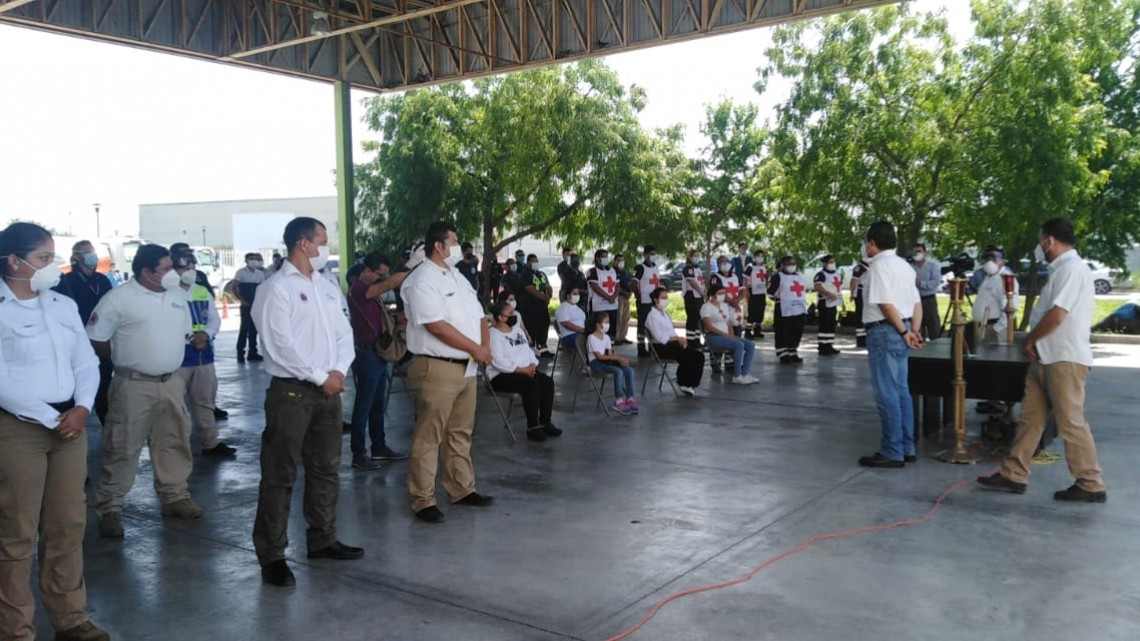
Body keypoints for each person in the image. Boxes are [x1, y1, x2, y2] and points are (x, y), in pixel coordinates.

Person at [0, 223, 111, 641]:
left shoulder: (62, 304)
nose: (53, 265)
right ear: (15, 261)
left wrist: (82, 408)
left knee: (67, 525)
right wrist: (54, 419)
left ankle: (71, 619)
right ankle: (16, 630)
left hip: (70, 428)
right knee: (16, 533)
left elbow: (86, 361)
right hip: (19, 430)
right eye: (44, 258)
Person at [250, 217, 362, 587]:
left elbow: (344, 333)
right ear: (303, 243)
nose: (326, 249)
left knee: (326, 469)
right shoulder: (276, 289)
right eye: (322, 242)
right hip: (292, 394)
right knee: (280, 474)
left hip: (329, 392)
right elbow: (279, 344)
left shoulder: (327, 286)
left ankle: (322, 538)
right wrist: (320, 376)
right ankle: (272, 555)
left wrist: (338, 372)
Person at [978, 218, 1106, 502]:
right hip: (1045, 358)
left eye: (1040, 242)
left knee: (1070, 422)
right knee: (1030, 419)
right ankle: (1014, 473)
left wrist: (1031, 338)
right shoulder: (1060, 269)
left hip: (1064, 359)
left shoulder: (1072, 269)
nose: (1039, 248)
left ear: (1048, 241)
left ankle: (1090, 482)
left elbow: (1057, 315)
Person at [87, 244, 202, 538]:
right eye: (166, 268)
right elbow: (96, 338)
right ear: (147, 272)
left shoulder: (176, 295)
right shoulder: (119, 299)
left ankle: (175, 496)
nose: (174, 273)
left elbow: (184, 333)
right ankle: (110, 507)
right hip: (132, 385)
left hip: (171, 382)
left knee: (174, 441)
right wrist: (124, 358)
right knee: (122, 446)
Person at [400, 221, 494, 524]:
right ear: (439, 246)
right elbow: (436, 325)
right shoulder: (422, 279)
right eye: (453, 241)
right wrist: (477, 349)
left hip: (467, 366)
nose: (457, 246)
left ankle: (461, 488)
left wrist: (484, 348)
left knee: (460, 432)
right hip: (437, 367)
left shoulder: (457, 276)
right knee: (430, 436)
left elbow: (480, 316)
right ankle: (422, 499)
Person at [857, 221, 923, 468]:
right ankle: (907, 447)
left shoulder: (878, 267)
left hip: (885, 332)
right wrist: (913, 331)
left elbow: (885, 304)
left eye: (867, 242)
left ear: (872, 243)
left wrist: (904, 332)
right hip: (903, 328)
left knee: (887, 393)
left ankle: (892, 450)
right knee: (901, 391)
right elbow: (916, 303)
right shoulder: (905, 266)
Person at [346, 252, 410, 470]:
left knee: (377, 404)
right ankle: (358, 453)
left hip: (377, 352)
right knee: (364, 405)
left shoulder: (371, 292)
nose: (382, 279)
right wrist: (408, 268)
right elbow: (388, 285)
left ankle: (378, 446)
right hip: (367, 354)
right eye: (379, 275)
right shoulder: (359, 289)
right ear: (367, 270)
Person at [171, 250, 236, 458]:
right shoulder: (167, 293)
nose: (190, 272)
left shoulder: (201, 291)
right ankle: (177, 445)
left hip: (203, 355)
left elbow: (214, 320)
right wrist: (191, 338)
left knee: (205, 401)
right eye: (184, 268)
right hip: (177, 357)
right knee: (175, 405)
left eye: (192, 267)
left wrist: (205, 335)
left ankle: (210, 442)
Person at [53, 239, 115, 425]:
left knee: (104, 390)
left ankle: (108, 429)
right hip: (78, 341)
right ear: (77, 257)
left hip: (101, 340)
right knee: (78, 388)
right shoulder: (67, 282)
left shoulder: (102, 280)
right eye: (88, 253)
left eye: (93, 252)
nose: (93, 257)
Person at [487, 300, 562, 441]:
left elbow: (527, 351)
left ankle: (545, 422)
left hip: (525, 370)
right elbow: (497, 360)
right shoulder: (493, 334)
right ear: (501, 317)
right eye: (510, 313)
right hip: (502, 374)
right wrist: (520, 370)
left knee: (547, 383)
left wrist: (533, 364)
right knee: (531, 385)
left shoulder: (518, 331)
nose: (514, 316)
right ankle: (533, 426)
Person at [644, 287, 704, 395]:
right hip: (661, 347)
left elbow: (671, 332)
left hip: (673, 343)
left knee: (699, 356)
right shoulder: (652, 316)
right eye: (663, 298)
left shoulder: (666, 314)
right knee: (686, 357)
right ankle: (683, 382)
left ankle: (692, 383)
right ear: (655, 300)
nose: (665, 300)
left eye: (666, 297)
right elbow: (660, 337)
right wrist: (677, 339)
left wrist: (681, 340)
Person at [701, 283, 758, 384]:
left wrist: (731, 335)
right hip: (713, 337)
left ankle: (744, 373)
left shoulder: (724, 306)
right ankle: (737, 375)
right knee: (739, 345)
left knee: (750, 345)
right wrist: (725, 335)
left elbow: (728, 323)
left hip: (726, 336)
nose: (723, 295)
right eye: (720, 293)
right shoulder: (706, 307)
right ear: (713, 295)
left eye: (724, 293)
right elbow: (709, 327)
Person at [586, 312, 639, 415]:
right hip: (596, 363)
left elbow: (610, 354)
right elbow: (599, 356)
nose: (608, 325)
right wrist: (618, 359)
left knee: (629, 370)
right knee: (618, 371)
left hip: (606, 361)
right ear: (598, 325)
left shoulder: (606, 337)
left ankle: (630, 398)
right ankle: (618, 400)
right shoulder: (591, 338)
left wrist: (619, 360)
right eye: (606, 322)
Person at [767, 256, 808, 364]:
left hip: (799, 308)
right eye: (789, 264)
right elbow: (770, 292)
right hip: (784, 308)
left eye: (793, 263)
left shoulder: (799, 276)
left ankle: (793, 350)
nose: (792, 266)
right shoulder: (778, 276)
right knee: (783, 330)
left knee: (796, 330)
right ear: (783, 265)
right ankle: (783, 353)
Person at [233, 252, 267, 362]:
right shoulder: (241, 273)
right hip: (245, 305)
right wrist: (242, 300)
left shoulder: (260, 274)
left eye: (255, 258)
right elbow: (234, 287)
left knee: (254, 329)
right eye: (251, 259)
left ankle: (253, 353)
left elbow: (262, 289)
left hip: (255, 304)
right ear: (246, 261)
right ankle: (240, 353)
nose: (254, 261)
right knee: (244, 329)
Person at [517, 253, 553, 354]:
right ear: (528, 262)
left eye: (536, 261)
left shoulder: (541, 274)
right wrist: (544, 298)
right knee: (532, 328)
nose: (535, 263)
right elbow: (531, 290)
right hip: (530, 306)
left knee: (544, 325)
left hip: (542, 306)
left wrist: (548, 296)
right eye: (533, 261)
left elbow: (548, 286)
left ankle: (543, 348)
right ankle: (531, 350)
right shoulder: (525, 275)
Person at [633, 245, 662, 357]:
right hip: (644, 301)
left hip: (655, 301)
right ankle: (641, 349)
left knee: (653, 325)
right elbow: (634, 283)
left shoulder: (655, 267)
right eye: (651, 254)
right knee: (642, 325)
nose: (653, 256)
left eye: (655, 254)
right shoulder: (640, 268)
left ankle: (652, 348)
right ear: (645, 255)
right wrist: (639, 295)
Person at [812, 254, 843, 357]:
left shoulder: (837, 274)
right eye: (830, 262)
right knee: (824, 325)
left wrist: (842, 302)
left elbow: (839, 289)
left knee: (831, 324)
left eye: (833, 262)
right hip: (824, 302)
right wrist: (829, 294)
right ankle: (823, 347)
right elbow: (817, 287)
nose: (832, 264)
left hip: (833, 303)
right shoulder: (821, 274)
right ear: (825, 264)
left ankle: (829, 344)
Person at [586, 249, 620, 339]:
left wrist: (614, 297)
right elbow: (595, 286)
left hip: (612, 305)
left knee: (611, 328)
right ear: (597, 258)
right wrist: (608, 297)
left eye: (606, 256)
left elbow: (617, 285)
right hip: (599, 306)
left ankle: (610, 344)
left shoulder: (613, 270)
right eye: (603, 256)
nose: (606, 258)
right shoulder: (593, 271)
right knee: (599, 327)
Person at [911, 243, 942, 340]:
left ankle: (936, 344)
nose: (917, 254)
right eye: (915, 252)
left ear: (925, 252)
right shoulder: (910, 267)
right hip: (915, 301)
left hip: (929, 300)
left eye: (919, 251)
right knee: (918, 327)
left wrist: (921, 283)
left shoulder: (933, 266)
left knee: (933, 326)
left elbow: (935, 282)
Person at [680, 250, 706, 345]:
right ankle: (691, 341)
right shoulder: (688, 268)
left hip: (699, 296)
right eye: (695, 256)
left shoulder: (698, 268)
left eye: (698, 255)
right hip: (691, 296)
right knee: (692, 318)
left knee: (698, 318)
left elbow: (701, 282)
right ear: (690, 257)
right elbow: (692, 282)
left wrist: (704, 292)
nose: (697, 257)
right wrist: (701, 292)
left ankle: (697, 339)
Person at [554, 287, 587, 352]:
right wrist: (582, 330)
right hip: (570, 336)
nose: (577, 296)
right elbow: (566, 324)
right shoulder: (563, 307)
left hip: (581, 334)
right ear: (568, 295)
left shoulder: (579, 308)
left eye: (578, 294)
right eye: (574, 294)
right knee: (592, 340)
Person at [744, 249, 768, 339]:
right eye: (758, 256)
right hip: (752, 291)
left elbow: (765, 278)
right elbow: (745, 278)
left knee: (760, 311)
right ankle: (747, 331)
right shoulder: (750, 267)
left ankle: (757, 330)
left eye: (762, 256)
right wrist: (746, 290)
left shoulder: (763, 267)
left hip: (762, 292)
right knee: (752, 311)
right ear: (755, 257)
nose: (760, 258)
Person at [850, 249, 870, 348]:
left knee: (865, 314)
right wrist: (852, 294)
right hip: (860, 292)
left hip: (867, 292)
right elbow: (854, 281)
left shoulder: (870, 266)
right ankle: (860, 338)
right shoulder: (860, 268)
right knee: (860, 314)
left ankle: (865, 336)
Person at [613, 253, 634, 345]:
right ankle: (617, 337)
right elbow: (615, 286)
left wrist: (630, 292)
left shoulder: (625, 272)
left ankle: (623, 337)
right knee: (618, 318)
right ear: (614, 262)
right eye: (618, 260)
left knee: (626, 318)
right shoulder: (613, 272)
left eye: (622, 260)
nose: (621, 262)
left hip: (627, 297)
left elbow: (630, 283)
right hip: (619, 296)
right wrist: (624, 293)